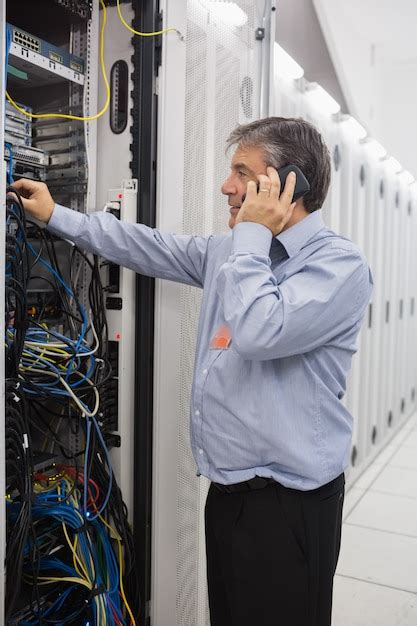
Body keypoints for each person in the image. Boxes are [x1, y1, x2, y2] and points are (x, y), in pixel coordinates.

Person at [11, 116, 373, 626]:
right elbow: (150, 247)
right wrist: (56, 216)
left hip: (288, 509)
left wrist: (249, 235)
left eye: (240, 172)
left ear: (288, 184)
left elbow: (260, 329)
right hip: (228, 498)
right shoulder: (233, 252)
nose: (226, 186)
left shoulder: (338, 267)